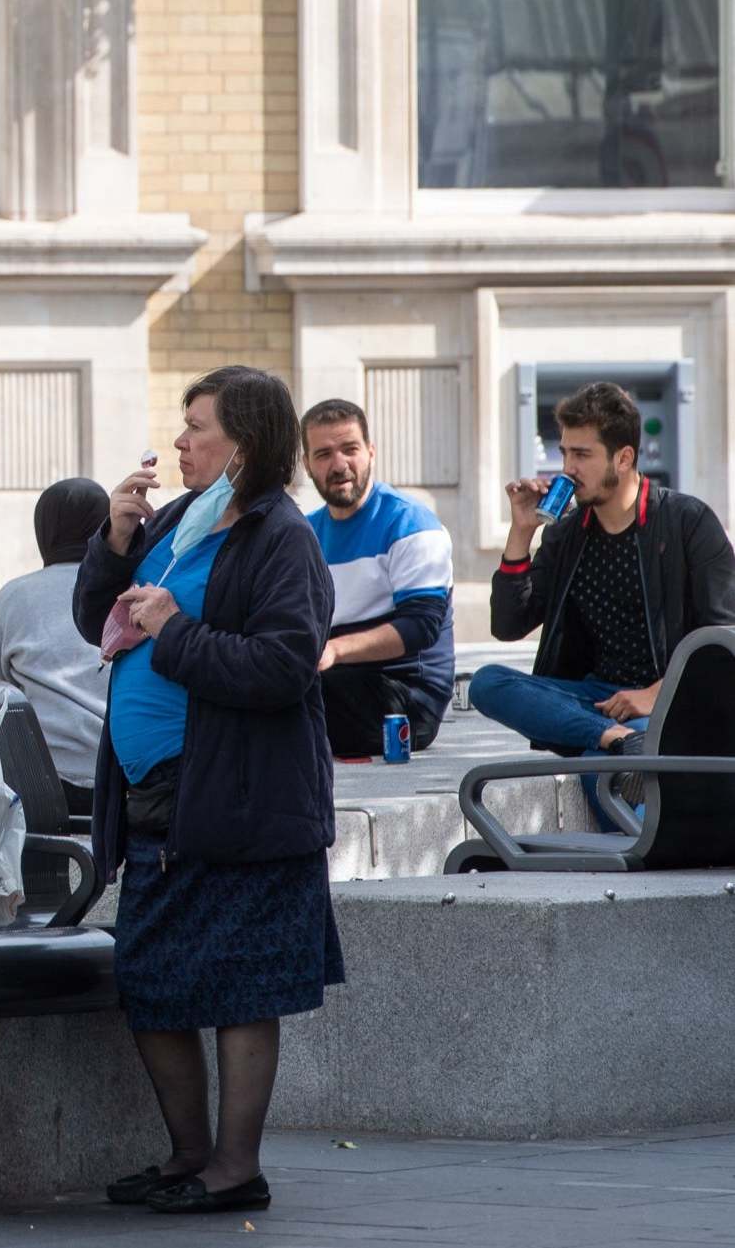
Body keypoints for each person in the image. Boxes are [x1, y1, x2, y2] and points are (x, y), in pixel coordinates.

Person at [73, 366, 340, 1216]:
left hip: (239, 795)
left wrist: (177, 632)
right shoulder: (180, 522)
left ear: (246, 445)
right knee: (150, 977)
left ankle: (234, 1164)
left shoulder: (279, 537)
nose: (181, 441)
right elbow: (100, 621)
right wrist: (113, 541)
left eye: (198, 427)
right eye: (183, 426)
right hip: (159, 794)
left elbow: (282, 665)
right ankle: (188, 1154)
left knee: (239, 987)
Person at [471, 380, 735, 830]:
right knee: (487, 683)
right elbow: (508, 624)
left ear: (624, 457)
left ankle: (631, 772)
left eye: (582, 455)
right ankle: (618, 742)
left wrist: (654, 693)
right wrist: (520, 532)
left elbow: (723, 636)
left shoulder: (688, 521)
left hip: (670, 699)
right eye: (564, 454)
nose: (568, 469)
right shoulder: (566, 533)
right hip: (598, 705)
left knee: (597, 770)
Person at [300, 399, 455, 757]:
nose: (339, 465)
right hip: (331, 679)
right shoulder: (302, 535)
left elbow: (420, 627)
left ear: (371, 452)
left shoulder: (411, 524)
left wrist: (335, 650)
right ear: (307, 465)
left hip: (405, 698)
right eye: (323, 454)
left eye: (349, 449)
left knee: (300, 694)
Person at [0, 477, 111, 816]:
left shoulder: (10, 598)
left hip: (43, 778)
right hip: (122, 774)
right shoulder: (132, 588)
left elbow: (3, 686)